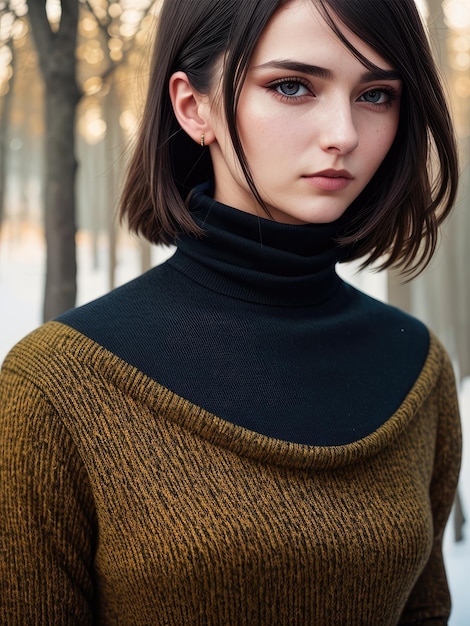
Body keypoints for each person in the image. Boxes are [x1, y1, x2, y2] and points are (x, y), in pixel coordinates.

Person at [0, 0, 462, 623]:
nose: (345, 134)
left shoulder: (419, 370)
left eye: (376, 94)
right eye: (293, 86)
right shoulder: (55, 386)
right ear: (195, 106)